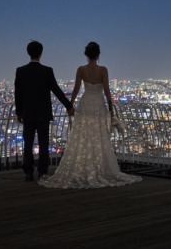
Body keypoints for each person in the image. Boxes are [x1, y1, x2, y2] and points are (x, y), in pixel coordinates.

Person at [40, 41, 141, 189]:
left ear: (86, 55)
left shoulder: (81, 69)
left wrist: (70, 104)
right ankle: (99, 167)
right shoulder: (103, 70)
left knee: (83, 134)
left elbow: (75, 89)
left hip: (86, 103)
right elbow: (106, 91)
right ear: (98, 55)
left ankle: (83, 166)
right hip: (98, 104)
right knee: (99, 134)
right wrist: (110, 108)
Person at [15, 40, 75, 182]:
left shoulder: (21, 71)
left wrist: (19, 112)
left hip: (28, 113)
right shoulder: (47, 71)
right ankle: (43, 172)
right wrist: (69, 106)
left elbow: (18, 93)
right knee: (44, 143)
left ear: (28, 53)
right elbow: (57, 90)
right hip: (43, 113)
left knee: (28, 143)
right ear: (41, 53)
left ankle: (28, 172)